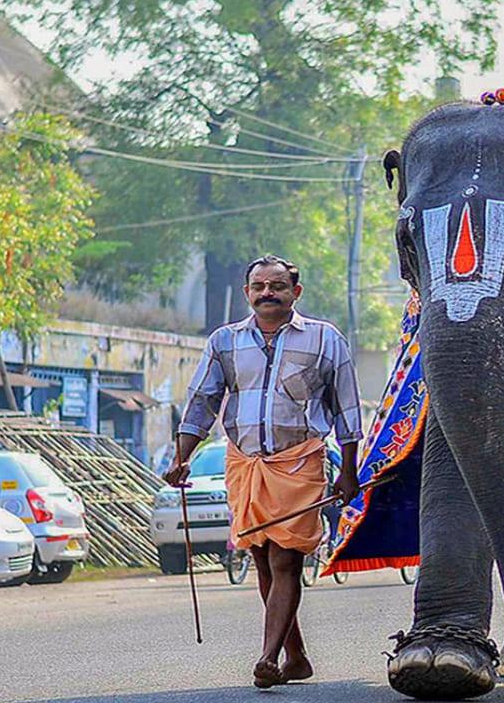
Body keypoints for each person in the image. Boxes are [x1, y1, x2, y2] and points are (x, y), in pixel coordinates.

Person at [165, 255, 363, 689]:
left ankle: (268, 657)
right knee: (263, 561)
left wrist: (348, 470)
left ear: (296, 291)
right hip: (245, 463)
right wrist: (182, 457)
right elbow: (201, 401)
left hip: (300, 461)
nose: (267, 294)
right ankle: (297, 657)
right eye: (259, 287)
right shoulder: (224, 341)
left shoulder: (325, 339)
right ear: (247, 293)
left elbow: (347, 409)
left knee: (285, 559)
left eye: (277, 286)